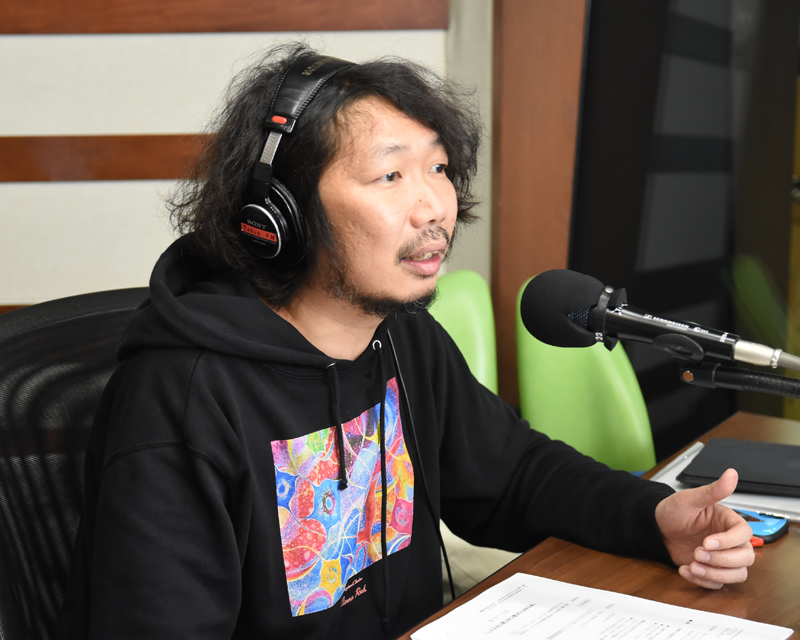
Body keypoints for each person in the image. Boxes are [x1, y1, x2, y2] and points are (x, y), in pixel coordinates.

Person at [59, 45, 754, 639]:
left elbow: (512, 475)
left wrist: (653, 517)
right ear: (280, 214)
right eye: (390, 175)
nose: (433, 209)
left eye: (439, 169)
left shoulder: (399, 336)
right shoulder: (181, 401)